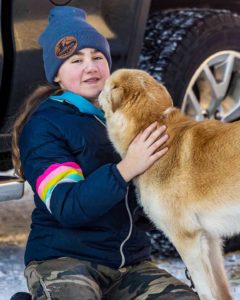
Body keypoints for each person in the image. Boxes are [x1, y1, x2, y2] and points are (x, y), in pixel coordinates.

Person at [12, 6, 199, 300]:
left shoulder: (125, 118)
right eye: (76, 60)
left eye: (98, 57)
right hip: (64, 260)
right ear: (57, 75)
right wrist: (128, 167)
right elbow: (67, 205)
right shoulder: (45, 126)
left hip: (130, 265)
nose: (91, 67)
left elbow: (145, 206)